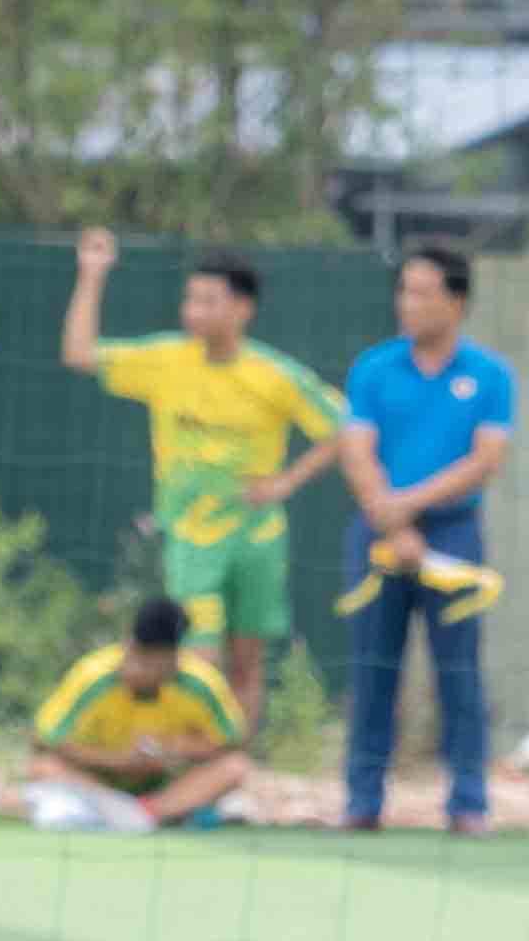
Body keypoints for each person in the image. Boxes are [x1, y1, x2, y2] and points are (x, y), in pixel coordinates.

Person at [58, 229, 343, 731]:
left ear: (242, 308)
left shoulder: (275, 375)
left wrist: (287, 482)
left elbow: (346, 429)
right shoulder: (166, 360)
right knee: (198, 659)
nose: (193, 311)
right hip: (191, 536)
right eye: (190, 299)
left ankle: (232, 763)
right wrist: (92, 274)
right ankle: (193, 758)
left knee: (247, 661)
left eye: (208, 301)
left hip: (257, 536)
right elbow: (79, 354)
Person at [332, 243, 514, 833]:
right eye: (403, 290)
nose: (405, 303)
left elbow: (485, 460)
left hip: (453, 535)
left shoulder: (490, 375)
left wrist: (408, 508)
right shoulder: (373, 368)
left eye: (420, 292)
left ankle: (468, 803)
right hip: (376, 534)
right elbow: (356, 451)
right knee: (372, 669)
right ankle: (362, 801)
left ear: (456, 302)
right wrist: (392, 524)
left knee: (458, 672)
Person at [24, 596, 254, 833]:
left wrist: (172, 749)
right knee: (44, 767)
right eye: (139, 660)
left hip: (163, 789)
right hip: (101, 783)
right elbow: (44, 740)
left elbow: (232, 742)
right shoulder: (92, 676)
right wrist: (119, 761)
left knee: (236, 767)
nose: (140, 672)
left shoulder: (199, 683)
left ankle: (146, 813)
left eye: (154, 665)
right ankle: (127, 813)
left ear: (174, 659)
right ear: (128, 646)